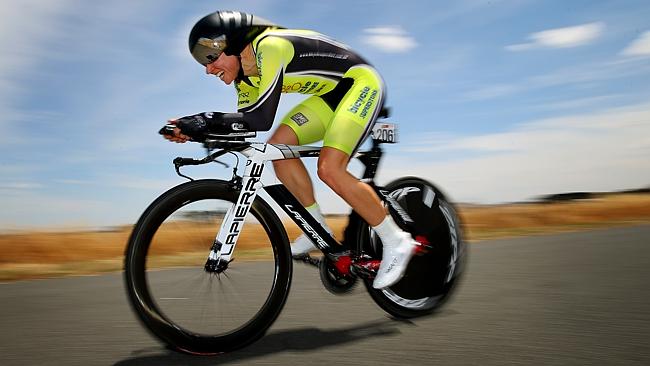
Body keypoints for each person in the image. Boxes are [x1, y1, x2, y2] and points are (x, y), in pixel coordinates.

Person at [163, 10, 418, 289]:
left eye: (210, 56)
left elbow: (260, 118)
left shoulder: (270, 46)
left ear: (234, 43)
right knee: (277, 150)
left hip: (360, 85)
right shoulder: (245, 79)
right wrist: (192, 131)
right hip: (328, 98)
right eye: (202, 61)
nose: (207, 68)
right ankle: (316, 227)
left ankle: (397, 240)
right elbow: (245, 127)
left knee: (329, 168)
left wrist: (202, 121)